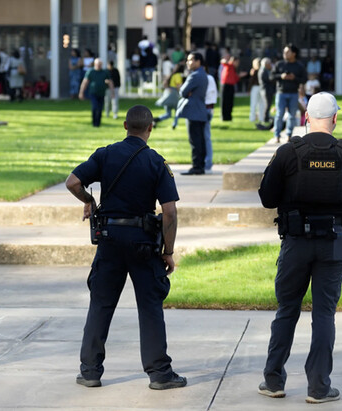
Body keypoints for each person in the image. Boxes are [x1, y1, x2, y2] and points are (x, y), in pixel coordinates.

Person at [257, 92, 342, 404]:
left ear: (306, 118)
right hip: (333, 244)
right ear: (335, 119)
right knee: (324, 314)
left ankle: (273, 381)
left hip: (295, 243)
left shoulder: (288, 152)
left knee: (287, 310)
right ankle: (319, 388)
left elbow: (268, 198)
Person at [65, 104, 187, 391]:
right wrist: (168, 250)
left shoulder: (105, 154)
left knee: (101, 304)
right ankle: (159, 373)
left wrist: (89, 200)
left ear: (124, 126)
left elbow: (73, 182)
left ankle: (90, 371)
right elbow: (169, 212)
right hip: (143, 243)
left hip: (109, 240)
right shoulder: (156, 162)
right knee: (150, 306)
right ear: (150, 128)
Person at [176, 52, 208, 175]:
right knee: (200, 140)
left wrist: (187, 92)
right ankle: (200, 165)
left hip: (194, 111)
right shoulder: (203, 74)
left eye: (190, 60)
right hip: (200, 111)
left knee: (195, 141)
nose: (187, 62)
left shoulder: (195, 75)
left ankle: (197, 166)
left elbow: (183, 92)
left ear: (198, 61)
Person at [271, 44, 306, 143]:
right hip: (281, 93)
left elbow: (304, 78)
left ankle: (289, 135)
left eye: (287, 52)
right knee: (279, 114)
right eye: (284, 52)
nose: (285, 54)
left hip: (294, 93)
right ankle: (276, 135)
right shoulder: (279, 64)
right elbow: (271, 76)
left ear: (293, 54)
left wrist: (294, 78)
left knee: (292, 115)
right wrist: (281, 76)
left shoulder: (299, 66)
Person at [79, 58, 115, 128]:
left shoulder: (105, 72)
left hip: (101, 93)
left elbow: (110, 82)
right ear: (95, 64)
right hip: (93, 93)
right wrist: (81, 92)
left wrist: (112, 92)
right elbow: (85, 82)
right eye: (98, 64)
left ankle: (98, 123)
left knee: (100, 108)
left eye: (100, 65)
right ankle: (94, 122)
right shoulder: (90, 71)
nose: (99, 66)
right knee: (95, 107)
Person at [153, 63, 183, 128]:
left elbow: (164, 84)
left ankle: (156, 119)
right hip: (174, 95)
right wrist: (180, 93)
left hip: (167, 94)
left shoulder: (171, 75)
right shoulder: (178, 75)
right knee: (177, 111)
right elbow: (178, 85)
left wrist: (168, 88)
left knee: (168, 114)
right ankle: (174, 124)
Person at [204, 67, 218, 171]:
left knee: (206, 136)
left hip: (206, 109)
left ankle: (208, 163)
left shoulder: (208, 78)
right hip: (205, 109)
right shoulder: (208, 78)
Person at [220, 55, 240, 122]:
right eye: (237, 62)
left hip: (231, 86)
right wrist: (227, 61)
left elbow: (235, 78)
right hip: (226, 85)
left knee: (230, 102)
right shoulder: (229, 65)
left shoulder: (233, 68)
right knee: (225, 102)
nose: (238, 64)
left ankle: (229, 116)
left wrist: (240, 76)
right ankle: (224, 117)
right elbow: (223, 62)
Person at [258, 57, 276, 129]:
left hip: (267, 90)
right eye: (269, 63)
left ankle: (266, 117)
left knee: (268, 104)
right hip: (266, 90)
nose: (270, 65)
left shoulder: (265, 70)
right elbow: (270, 79)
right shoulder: (263, 71)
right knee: (267, 105)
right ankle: (266, 118)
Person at [248, 57, 263, 123]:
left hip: (255, 87)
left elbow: (251, 81)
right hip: (261, 88)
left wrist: (249, 89)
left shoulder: (254, 71)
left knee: (254, 103)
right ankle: (261, 118)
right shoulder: (263, 70)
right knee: (261, 104)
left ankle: (253, 118)